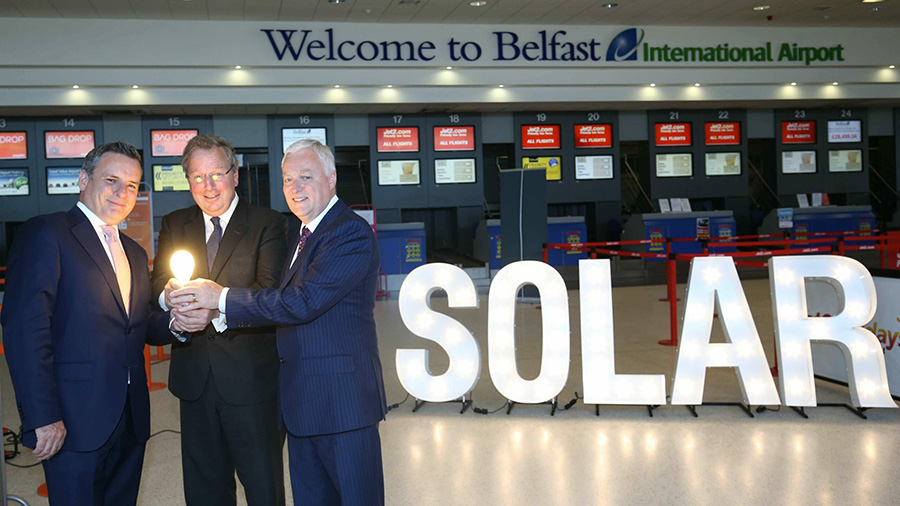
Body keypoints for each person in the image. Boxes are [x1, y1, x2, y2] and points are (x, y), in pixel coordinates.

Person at [170, 139, 387, 506]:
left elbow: (304, 303)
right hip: (302, 406)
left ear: (332, 179)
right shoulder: (304, 235)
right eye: (288, 180)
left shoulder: (347, 233)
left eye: (306, 176)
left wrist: (219, 298)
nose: (295, 188)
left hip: (341, 406)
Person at [1, 142, 207, 506]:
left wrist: (178, 322)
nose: (121, 192)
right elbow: (25, 332)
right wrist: (42, 416)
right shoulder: (47, 234)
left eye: (131, 185)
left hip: (130, 417)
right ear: (83, 179)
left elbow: (138, 325)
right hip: (72, 419)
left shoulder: (134, 251)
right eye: (111, 180)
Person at [151, 134, 288, 506]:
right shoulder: (175, 222)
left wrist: (215, 312)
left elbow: (270, 294)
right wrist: (174, 302)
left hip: (251, 384)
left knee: (263, 488)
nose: (208, 186)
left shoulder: (268, 223)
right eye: (197, 177)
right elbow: (159, 284)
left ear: (235, 175)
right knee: (204, 491)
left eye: (216, 174)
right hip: (194, 382)